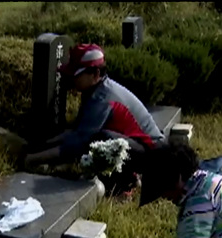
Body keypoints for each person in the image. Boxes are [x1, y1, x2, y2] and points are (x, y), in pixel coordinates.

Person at [22, 44, 166, 196]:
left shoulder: (103, 99)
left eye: (76, 74)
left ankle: (123, 185)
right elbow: (76, 132)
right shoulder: (93, 91)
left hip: (153, 156)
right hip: (138, 147)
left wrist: (33, 159)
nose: (72, 78)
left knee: (102, 140)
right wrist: (39, 146)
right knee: (100, 139)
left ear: (95, 74)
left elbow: (79, 143)